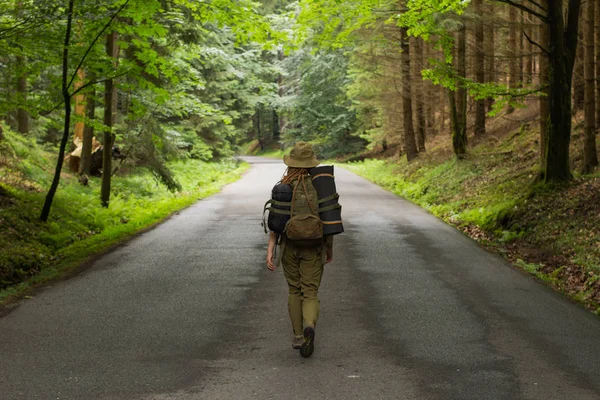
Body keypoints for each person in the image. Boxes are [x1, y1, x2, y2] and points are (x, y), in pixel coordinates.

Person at [266, 142, 333, 358]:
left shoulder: (283, 186)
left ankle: (297, 336)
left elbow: (275, 223)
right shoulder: (321, 186)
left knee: (295, 290)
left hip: (289, 246)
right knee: (310, 292)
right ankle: (310, 325)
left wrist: (270, 251)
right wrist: (329, 248)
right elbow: (329, 219)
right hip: (314, 246)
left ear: (292, 163)